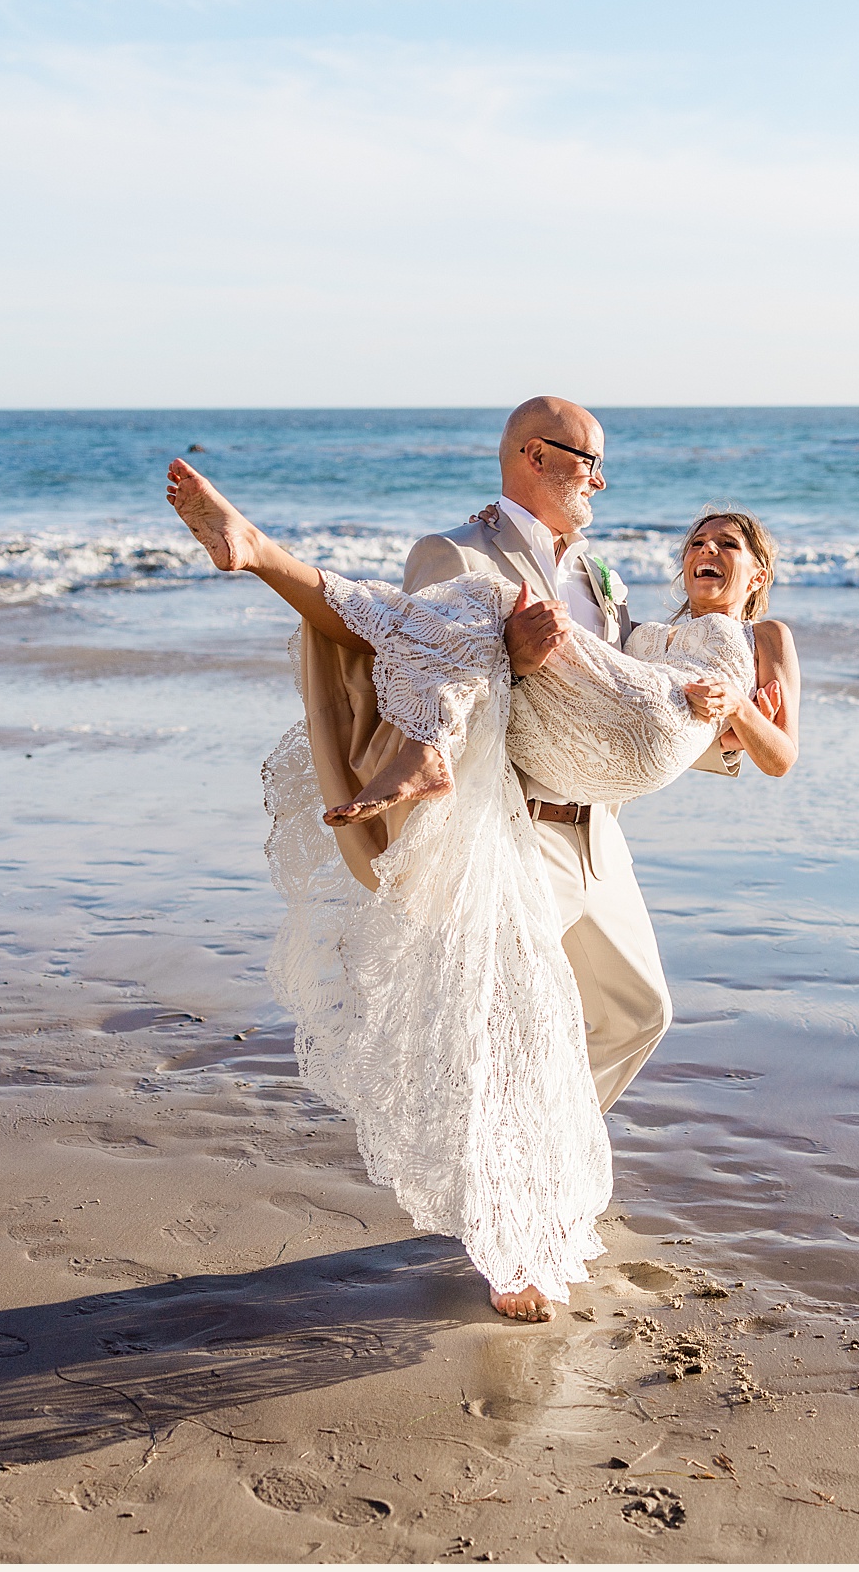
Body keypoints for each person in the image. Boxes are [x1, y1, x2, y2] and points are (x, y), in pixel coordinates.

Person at [164, 400, 800, 1320]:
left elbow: (617, 696)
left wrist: (723, 727)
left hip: (595, 831)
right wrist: (506, 645)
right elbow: (402, 641)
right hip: (510, 830)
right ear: (538, 456)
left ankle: (539, 1170)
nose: (601, 482)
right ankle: (512, 1241)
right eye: (591, 464)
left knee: (634, 1013)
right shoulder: (456, 555)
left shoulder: (605, 580)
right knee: (509, 1032)